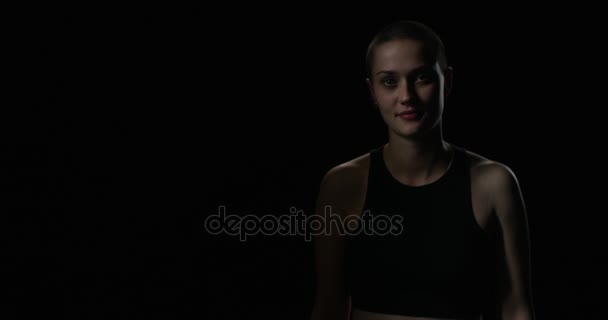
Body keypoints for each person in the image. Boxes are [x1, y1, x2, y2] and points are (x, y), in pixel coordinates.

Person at [310, 21, 535, 320]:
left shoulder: (494, 183)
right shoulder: (342, 185)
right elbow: (329, 307)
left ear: (448, 81)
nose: (407, 96)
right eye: (389, 81)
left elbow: (517, 308)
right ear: (372, 91)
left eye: (422, 78)